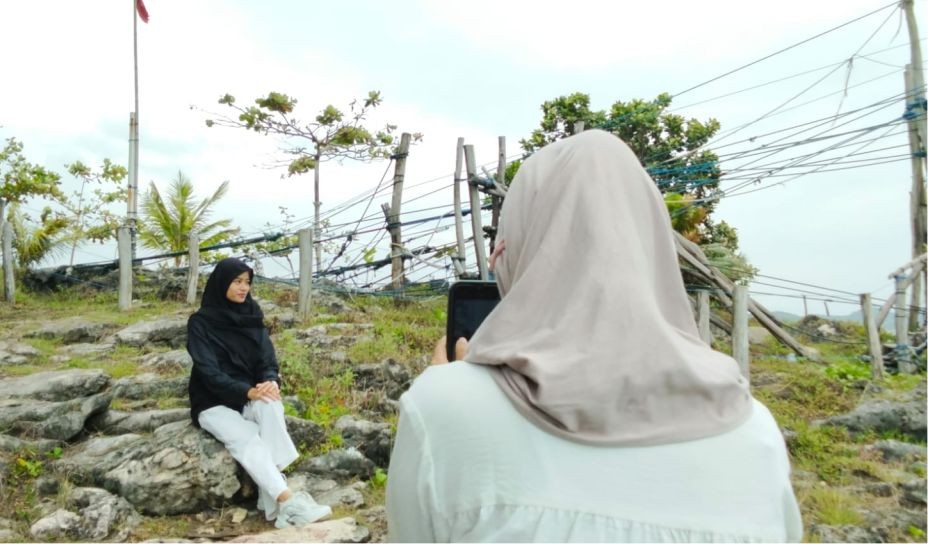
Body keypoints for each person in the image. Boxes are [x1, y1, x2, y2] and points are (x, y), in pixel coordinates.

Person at [386, 130, 802, 542]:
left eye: (501, 249)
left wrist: (445, 387)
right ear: (651, 247)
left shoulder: (441, 408)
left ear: (517, 253)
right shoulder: (756, 432)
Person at [187, 257, 331, 529]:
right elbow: (208, 371)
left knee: (271, 404)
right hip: (212, 401)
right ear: (221, 283)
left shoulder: (252, 316)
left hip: (249, 395)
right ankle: (287, 500)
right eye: (237, 281)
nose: (244, 288)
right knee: (246, 436)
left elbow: (266, 359)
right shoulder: (200, 323)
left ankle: (271, 501)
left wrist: (269, 381)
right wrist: (248, 391)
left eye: (247, 282)